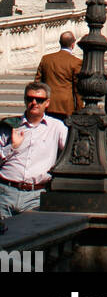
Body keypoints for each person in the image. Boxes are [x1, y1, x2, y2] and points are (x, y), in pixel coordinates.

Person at [0, 82, 68, 219]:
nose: (34, 103)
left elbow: (71, 154)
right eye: (30, 99)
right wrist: (12, 147)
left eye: (39, 100)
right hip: (6, 191)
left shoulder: (56, 127)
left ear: (47, 103)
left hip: (35, 194)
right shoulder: (10, 125)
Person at [36, 31, 81, 118]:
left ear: (60, 43)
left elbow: (37, 83)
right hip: (66, 106)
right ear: (73, 44)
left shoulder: (46, 59)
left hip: (48, 104)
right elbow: (77, 88)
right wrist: (79, 109)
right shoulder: (76, 62)